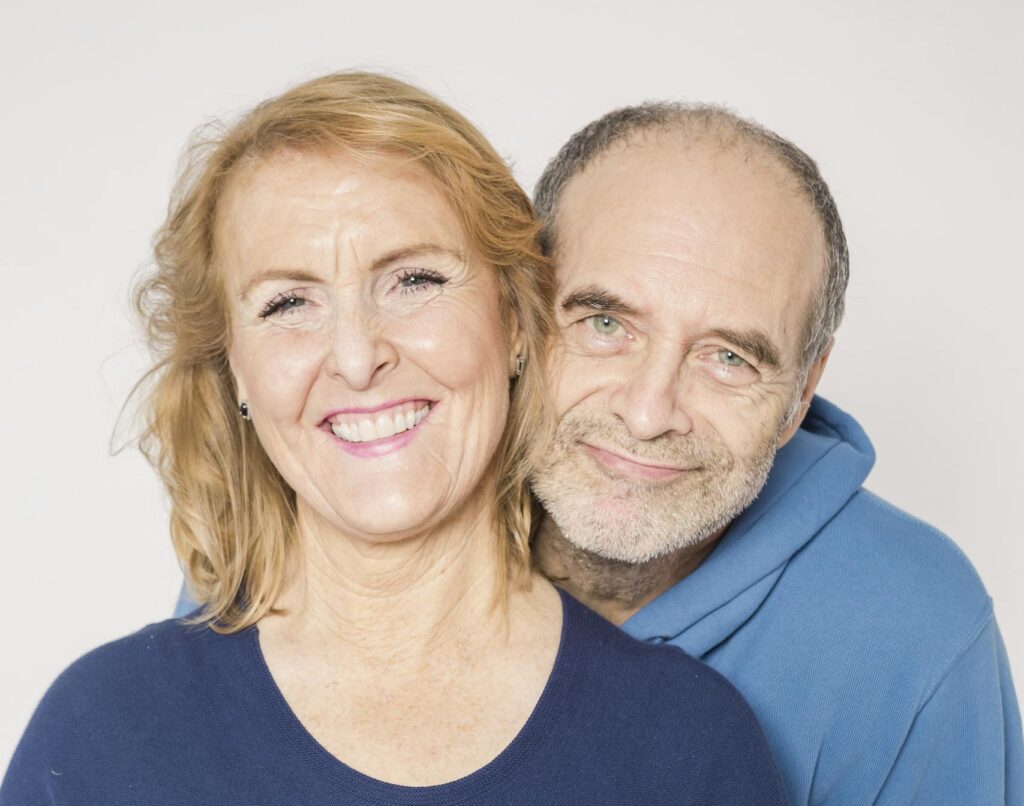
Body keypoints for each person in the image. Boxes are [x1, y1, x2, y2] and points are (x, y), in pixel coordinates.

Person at [1, 74, 786, 805]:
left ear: (516, 323)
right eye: (287, 304)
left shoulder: (688, 745)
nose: (356, 357)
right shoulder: (102, 734)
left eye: (414, 281)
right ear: (234, 368)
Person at [528, 102, 1024, 805]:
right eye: (605, 323)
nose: (646, 413)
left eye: (729, 358)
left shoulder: (916, 628)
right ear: (517, 314)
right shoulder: (407, 512)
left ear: (802, 392)